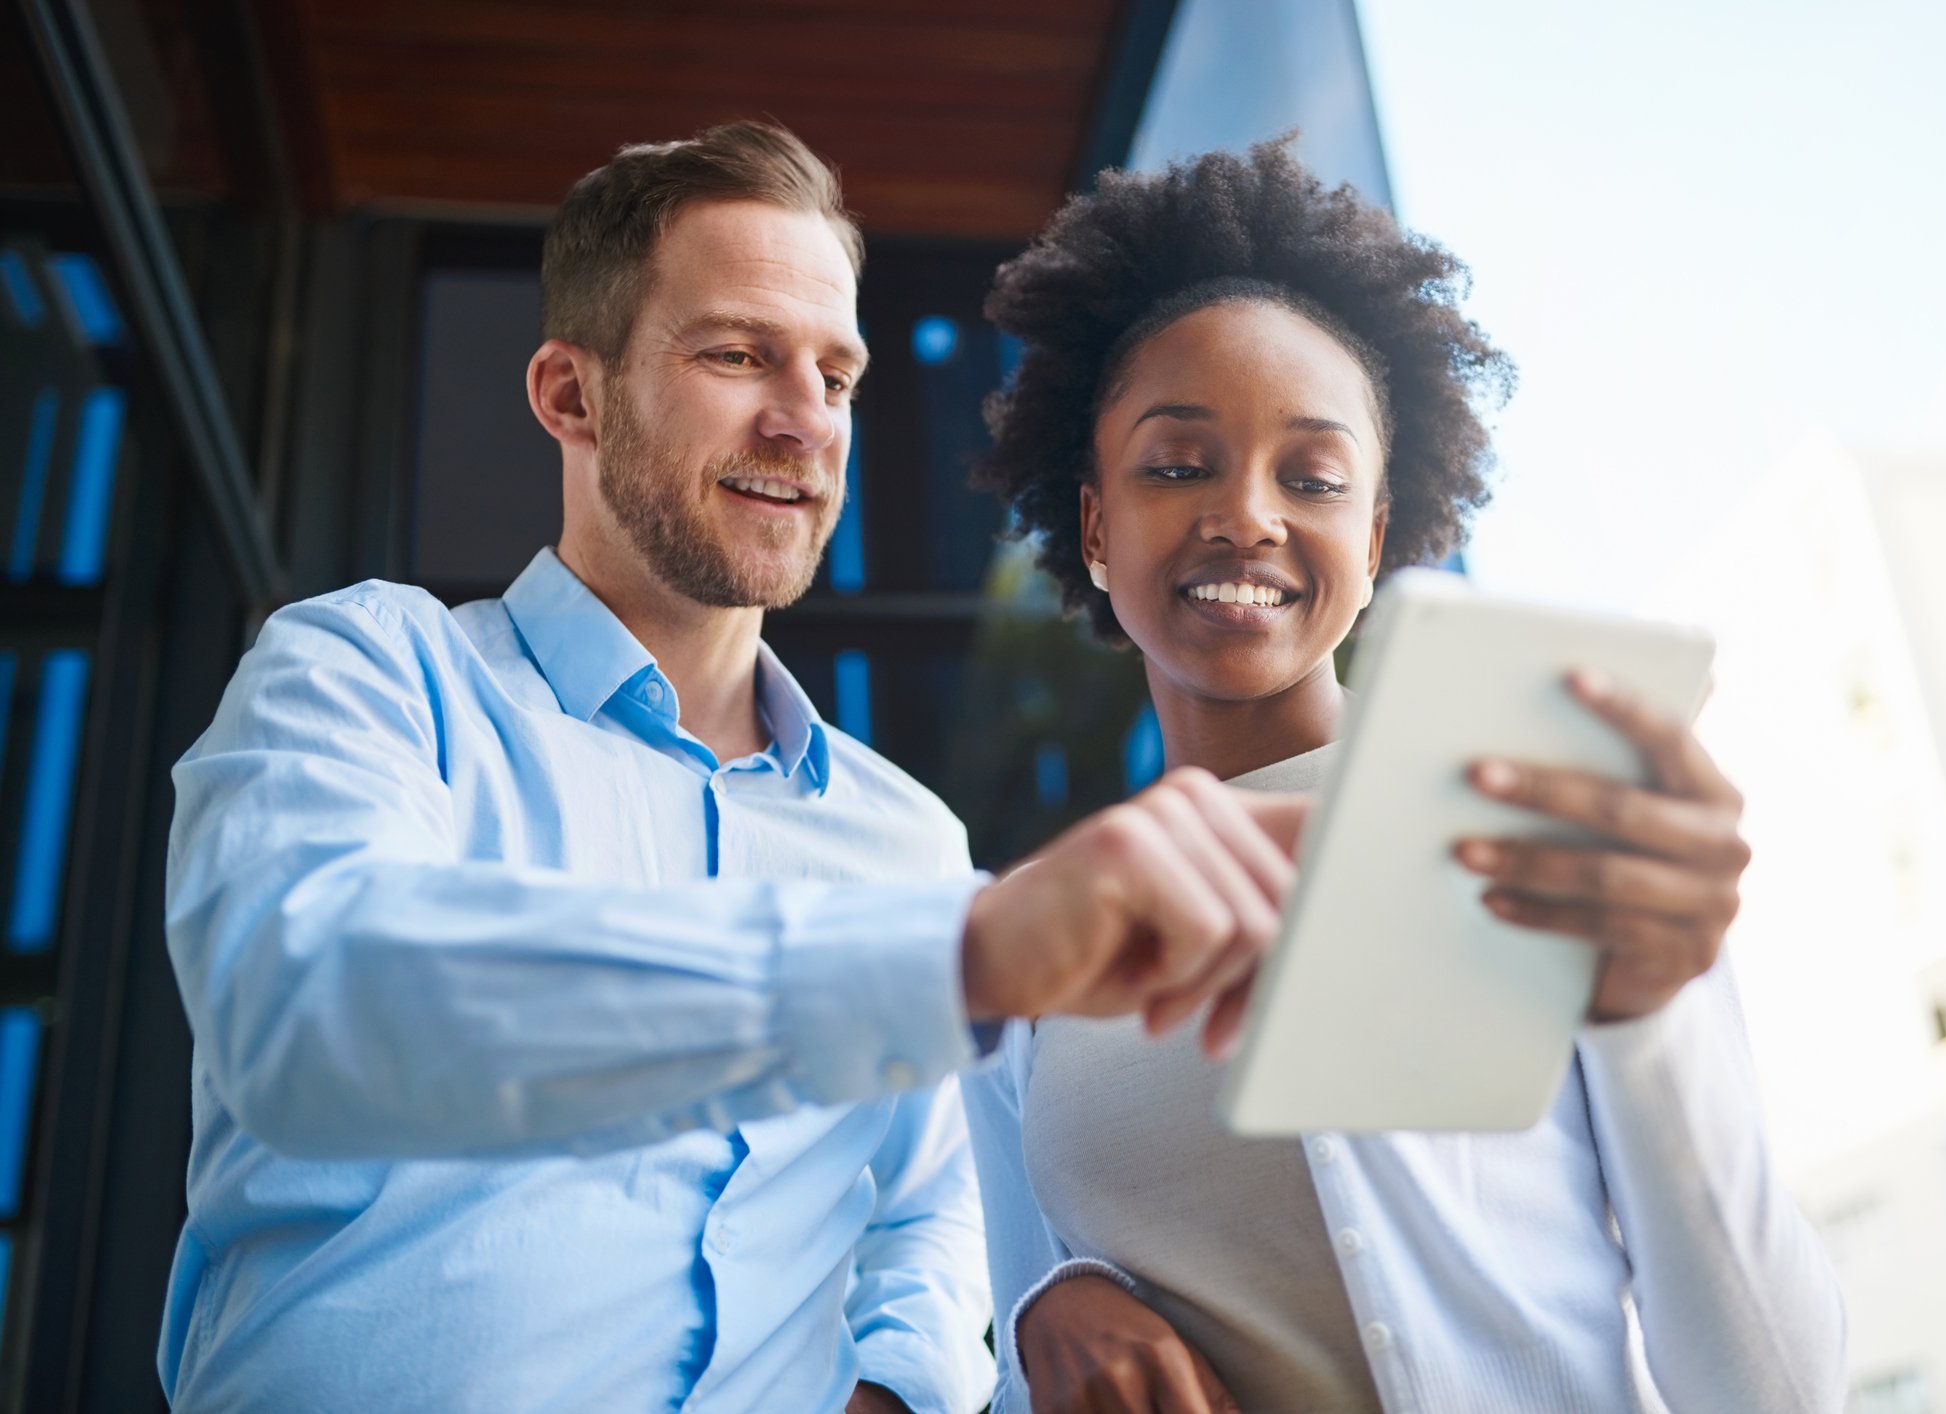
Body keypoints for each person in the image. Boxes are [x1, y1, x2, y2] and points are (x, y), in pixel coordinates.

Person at [156, 122, 1307, 1414]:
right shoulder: (368, 671)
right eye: (736, 354)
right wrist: (949, 960)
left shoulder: (908, 844)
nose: (802, 421)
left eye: (836, 374)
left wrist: (896, 1389)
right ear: (568, 394)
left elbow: (922, 1221)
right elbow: (312, 1001)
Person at [962, 140, 1848, 1414]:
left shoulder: (1531, 820)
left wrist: (1648, 1012)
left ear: (1372, 538)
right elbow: (1009, 1348)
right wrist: (1047, 1310)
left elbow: (1773, 1392)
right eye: (1176, 464)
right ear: (1095, 523)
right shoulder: (1031, 929)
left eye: (1311, 477)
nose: (1247, 516)